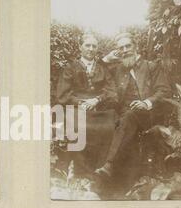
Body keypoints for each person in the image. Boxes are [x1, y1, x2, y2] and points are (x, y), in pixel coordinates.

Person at [95, 32, 171, 179]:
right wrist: (106, 59)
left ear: (136, 47)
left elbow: (164, 90)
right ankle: (97, 177)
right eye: (121, 48)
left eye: (128, 46)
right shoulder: (117, 69)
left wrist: (146, 102)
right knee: (104, 121)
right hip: (124, 114)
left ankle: (109, 164)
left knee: (129, 116)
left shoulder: (151, 66)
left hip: (148, 114)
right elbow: (97, 75)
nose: (125, 50)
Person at [56, 34, 118, 175]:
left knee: (110, 127)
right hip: (77, 109)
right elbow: (62, 94)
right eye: (87, 45)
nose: (91, 49)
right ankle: (80, 171)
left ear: (97, 49)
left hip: (99, 109)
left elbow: (112, 91)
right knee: (77, 127)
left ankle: (100, 170)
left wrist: (97, 100)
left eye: (94, 46)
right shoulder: (70, 68)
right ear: (80, 47)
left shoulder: (103, 69)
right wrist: (80, 103)